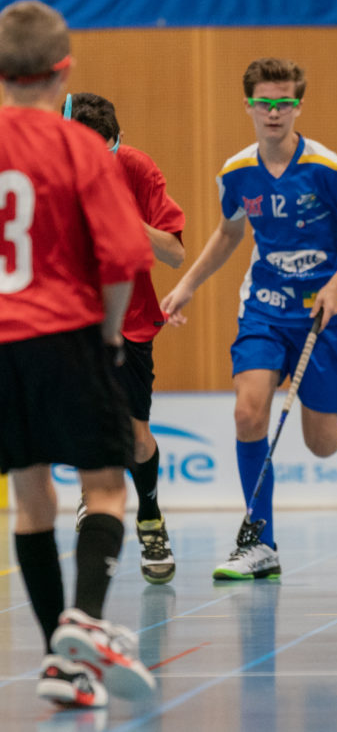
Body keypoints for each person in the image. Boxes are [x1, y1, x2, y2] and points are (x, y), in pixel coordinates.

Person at [159, 57, 337, 581]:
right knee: (248, 414)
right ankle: (261, 543)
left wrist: (336, 283)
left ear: (298, 105)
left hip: (327, 313)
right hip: (264, 307)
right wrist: (186, 285)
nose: (274, 112)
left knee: (321, 443)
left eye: (284, 103)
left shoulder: (327, 168)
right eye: (264, 103)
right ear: (249, 106)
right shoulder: (236, 172)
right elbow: (230, 232)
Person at [0, 0, 156, 708]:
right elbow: (125, 257)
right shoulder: (81, 148)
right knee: (105, 485)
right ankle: (85, 617)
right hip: (65, 332)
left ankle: (58, 664)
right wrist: (109, 336)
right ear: (65, 69)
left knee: (30, 498)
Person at [67, 92, 185, 585]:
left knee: (137, 442)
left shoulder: (136, 167)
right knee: (88, 428)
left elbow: (175, 254)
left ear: (116, 144)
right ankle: (94, 492)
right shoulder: (55, 168)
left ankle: (150, 515)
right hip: (72, 320)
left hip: (132, 321)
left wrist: (126, 220)